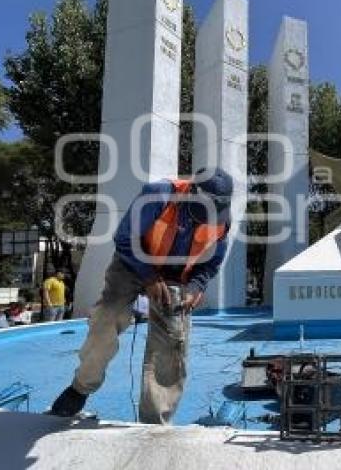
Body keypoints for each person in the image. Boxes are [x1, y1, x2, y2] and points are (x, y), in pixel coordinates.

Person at [50, 169, 233, 423]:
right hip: (133, 261)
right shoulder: (157, 194)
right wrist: (148, 277)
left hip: (175, 274)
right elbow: (124, 238)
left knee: (172, 341)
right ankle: (80, 388)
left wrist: (196, 286)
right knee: (106, 318)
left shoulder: (223, 221)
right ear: (190, 192)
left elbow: (211, 263)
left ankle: (154, 423)